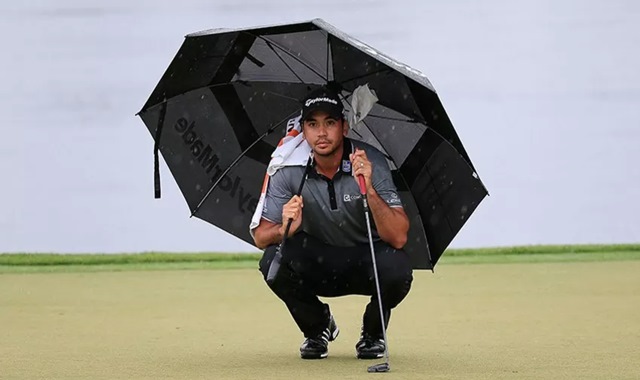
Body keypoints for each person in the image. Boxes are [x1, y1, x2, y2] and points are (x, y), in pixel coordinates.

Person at [252, 87, 413, 360]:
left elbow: (398, 237)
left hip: (366, 258)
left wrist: (370, 191)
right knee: (272, 264)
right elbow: (260, 237)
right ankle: (318, 327)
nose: (321, 133)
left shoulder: (370, 161)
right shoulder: (287, 168)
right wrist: (286, 227)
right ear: (303, 131)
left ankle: (373, 334)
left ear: (344, 127)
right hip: (319, 261)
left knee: (398, 269)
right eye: (312, 124)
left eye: (329, 123)